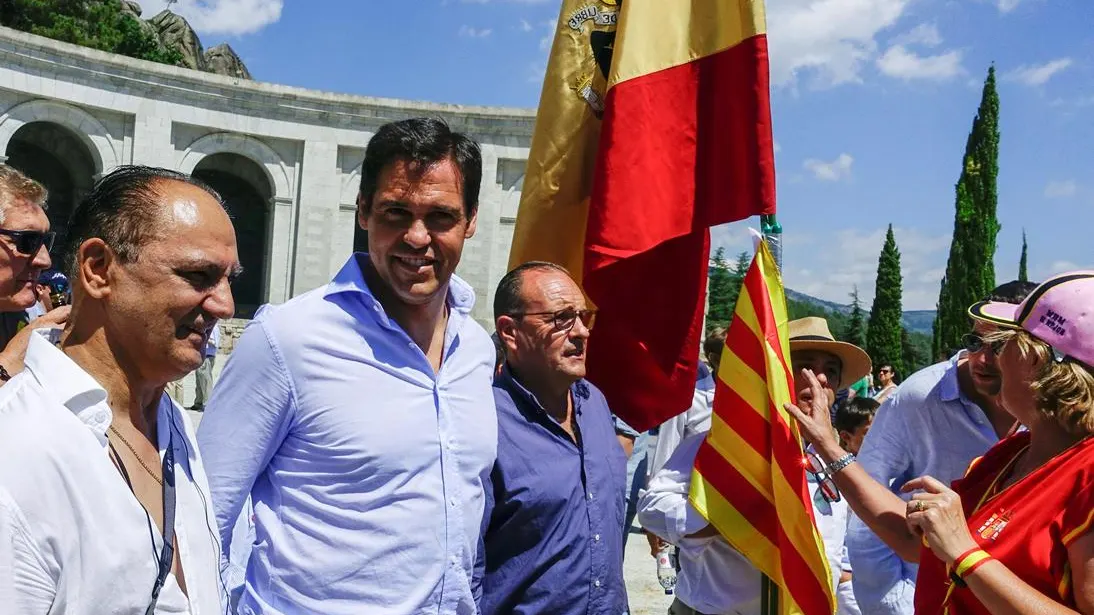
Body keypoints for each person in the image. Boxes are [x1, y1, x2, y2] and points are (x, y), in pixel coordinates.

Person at [197, 117, 497, 615]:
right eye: (396, 212)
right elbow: (204, 518)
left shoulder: (477, 350)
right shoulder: (287, 340)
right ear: (362, 211)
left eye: (441, 217)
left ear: (471, 221)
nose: (417, 237)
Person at [0, 165, 239, 614]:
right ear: (98, 269)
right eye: (198, 275)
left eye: (230, 279)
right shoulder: (16, 453)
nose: (224, 305)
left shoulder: (172, 420)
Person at [788, 270, 1094, 614]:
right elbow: (912, 541)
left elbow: (954, 550)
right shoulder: (1007, 457)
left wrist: (965, 555)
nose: (980, 358)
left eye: (999, 346)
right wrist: (830, 446)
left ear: (1036, 361)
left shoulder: (1087, 478)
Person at [639, 317, 870, 615]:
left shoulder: (837, 462)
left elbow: (843, 552)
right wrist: (726, 518)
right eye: (807, 366)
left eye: (831, 371)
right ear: (777, 372)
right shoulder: (719, 444)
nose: (820, 379)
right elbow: (653, 508)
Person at [847, 280, 1038, 615]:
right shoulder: (919, 396)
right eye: (976, 341)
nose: (982, 358)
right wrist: (894, 604)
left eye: (1000, 345)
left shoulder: (1050, 409)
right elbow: (866, 498)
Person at [479, 261, 628, 614]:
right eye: (561, 319)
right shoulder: (483, 421)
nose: (582, 332)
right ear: (510, 332)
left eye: (583, 316)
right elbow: (463, 560)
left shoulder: (594, 403)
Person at [0, 165, 68, 371]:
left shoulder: (20, 315)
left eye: (46, 241)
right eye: (28, 241)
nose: (44, 260)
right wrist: (10, 362)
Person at [189, 321, 219, 411]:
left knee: (205, 380)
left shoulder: (213, 328)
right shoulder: (208, 326)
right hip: (203, 355)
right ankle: (198, 402)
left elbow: (214, 342)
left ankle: (207, 404)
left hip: (208, 356)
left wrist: (203, 337)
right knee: (199, 380)